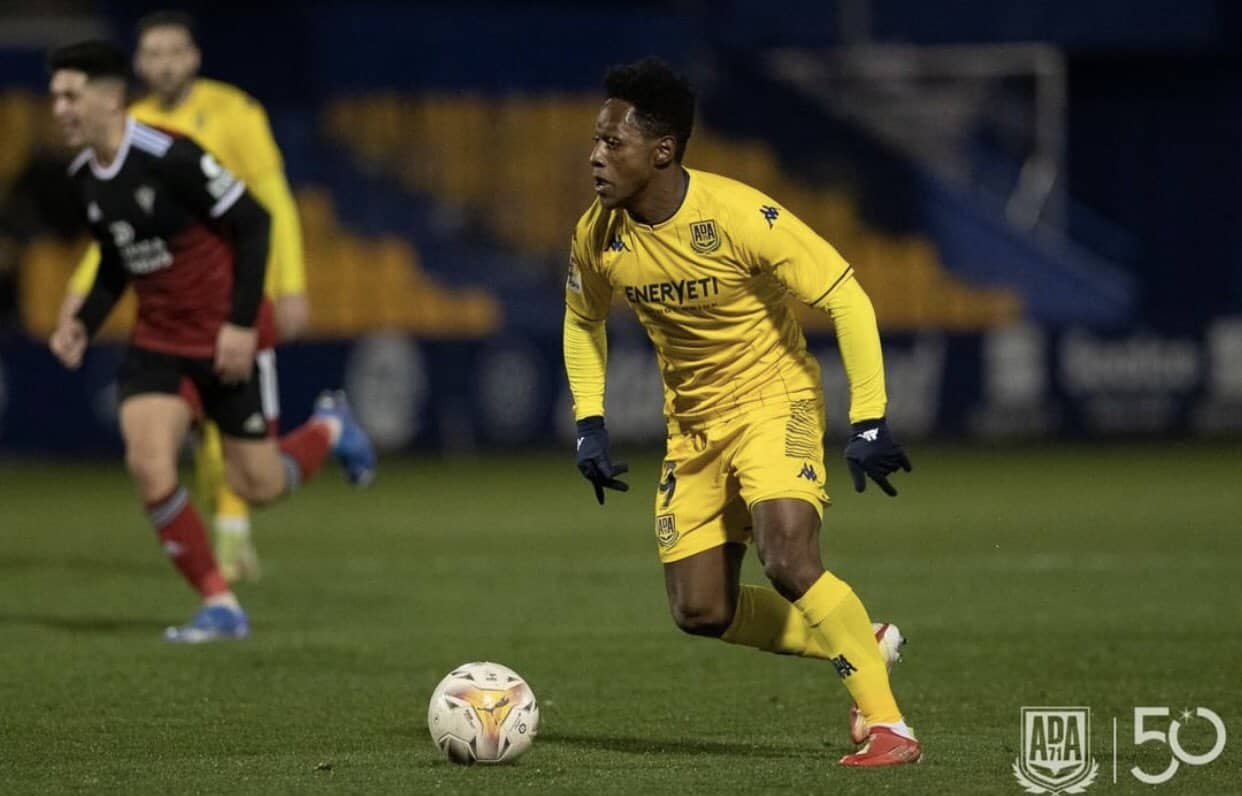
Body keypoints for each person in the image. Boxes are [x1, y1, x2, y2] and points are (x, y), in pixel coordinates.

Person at [564, 58, 921, 766]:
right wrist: (589, 424)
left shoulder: (738, 215)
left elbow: (846, 296)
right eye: (596, 141)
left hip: (773, 400)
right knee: (701, 610)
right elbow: (582, 320)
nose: (595, 156)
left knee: (788, 557)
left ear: (662, 151)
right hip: (692, 428)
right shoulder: (596, 234)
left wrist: (870, 419)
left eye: (612, 142)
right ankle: (859, 639)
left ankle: (890, 728)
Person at [46, 40, 375, 642]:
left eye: (70, 95)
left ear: (110, 99)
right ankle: (220, 604)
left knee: (258, 485)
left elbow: (255, 221)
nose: (59, 108)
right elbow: (119, 261)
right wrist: (83, 323)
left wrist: (242, 325)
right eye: (55, 97)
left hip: (226, 337)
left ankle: (330, 428)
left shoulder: (170, 156)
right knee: (149, 465)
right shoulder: (86, 178)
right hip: (158, 343)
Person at [58, 11, 309, 582]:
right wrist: (81, 307)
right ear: (139, 65)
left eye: (175, 52)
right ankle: (221, 576)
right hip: (167, 315)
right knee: (161, 448)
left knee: (248, 467)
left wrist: (290, 284)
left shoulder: (235, 113)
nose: (166, 64)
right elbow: (116, 238)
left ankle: (236, 526)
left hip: (235, 297)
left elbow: (268, 204)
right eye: (154, 54)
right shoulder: (124, 128)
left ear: (194, 56)